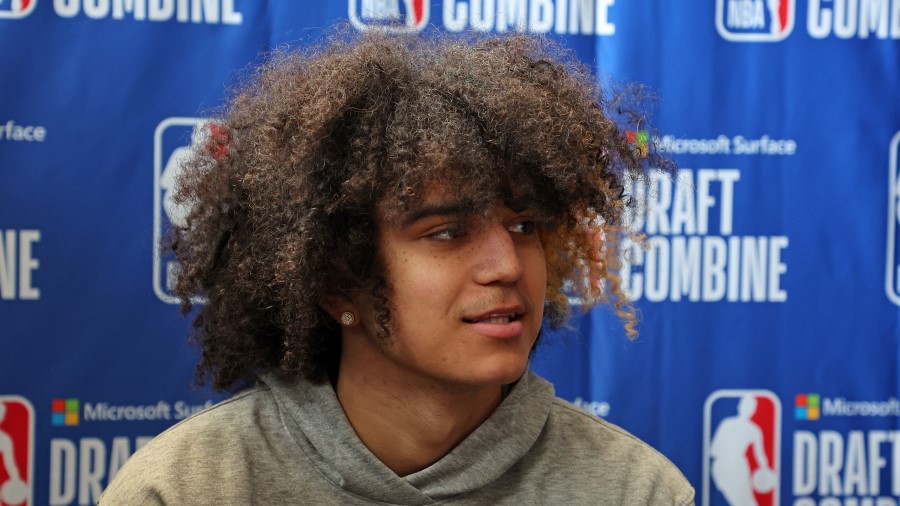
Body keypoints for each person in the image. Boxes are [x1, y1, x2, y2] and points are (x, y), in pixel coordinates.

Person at [101, 30, 695, 505]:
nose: (507, 264)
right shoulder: (187, 490)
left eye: (525, 226)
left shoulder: (634, 491)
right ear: (337, 283)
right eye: (447, 233)